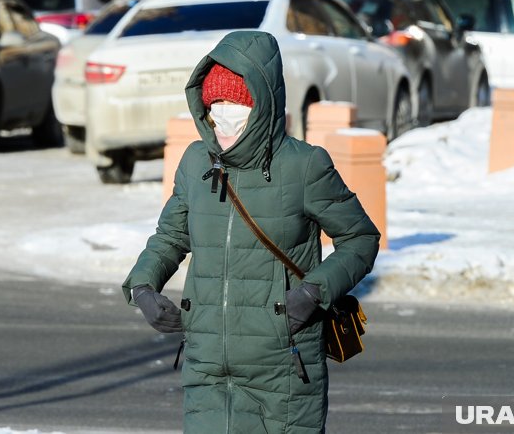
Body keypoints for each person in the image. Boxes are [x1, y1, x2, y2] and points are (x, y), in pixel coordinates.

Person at [122, 30, 380, 433]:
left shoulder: (304, 166)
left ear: (261, 104)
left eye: (235, 104)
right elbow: (171, 236)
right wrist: (142, 288)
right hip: (207, 364)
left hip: (283, 367)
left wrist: (312, 293)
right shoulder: (195, 162)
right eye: (214, 104)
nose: (223, 114)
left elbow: (360, 239)